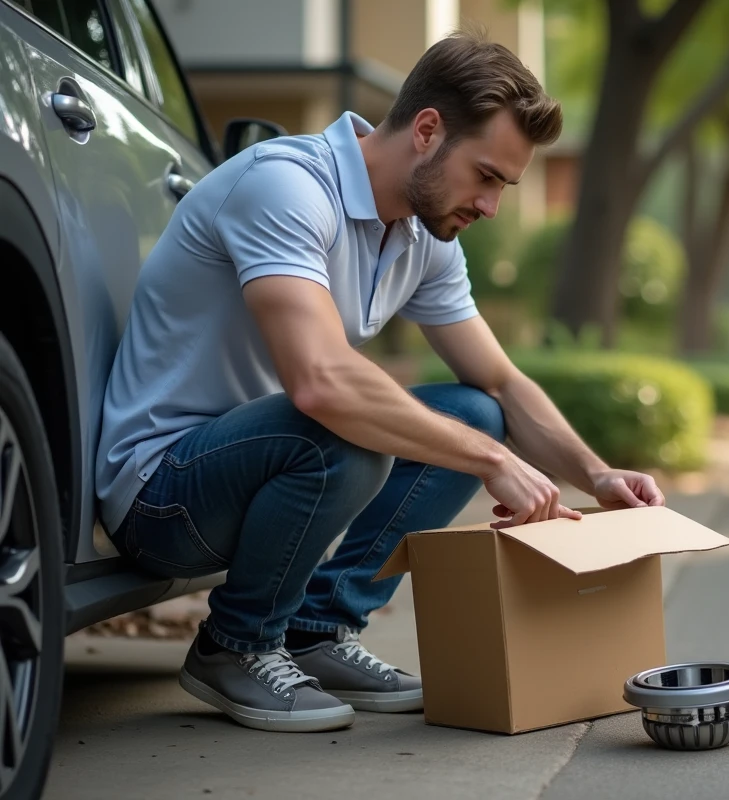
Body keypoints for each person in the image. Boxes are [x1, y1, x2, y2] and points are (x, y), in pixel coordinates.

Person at [95, 28, 665, 734]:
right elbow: (322, 385)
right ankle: (234, 646)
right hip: (166, 496)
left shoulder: (423, 236)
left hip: (253, 473)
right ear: (428, 130)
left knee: (475, 410)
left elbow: (503, 382)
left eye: (504, 186)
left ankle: (317, 628)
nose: (491, 207)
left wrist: (597, 474)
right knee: (348, 430)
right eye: (486, 176)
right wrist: (492, 464)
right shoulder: (287, 187)